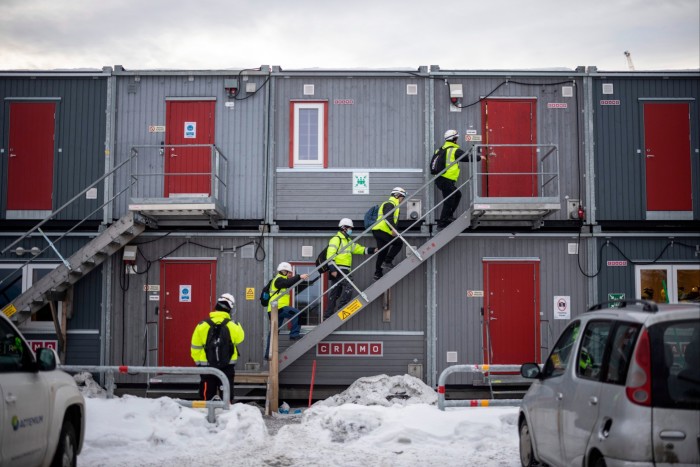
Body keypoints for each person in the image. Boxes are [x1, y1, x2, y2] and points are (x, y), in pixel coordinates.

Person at [190, 293, 244, 404]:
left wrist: (198, 362)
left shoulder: (202, 325)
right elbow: (240, 339)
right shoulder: (234, 325)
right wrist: (237, 325)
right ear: (230, 309)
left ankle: (207, 415)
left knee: (207, 394)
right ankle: (227, 415)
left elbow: (195, 347)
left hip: (206, 366)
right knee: (226, 392)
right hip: (227, 365)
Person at [322, 218, 377, 320]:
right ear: (344, 228)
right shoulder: (336, 239)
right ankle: (341, 308)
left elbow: (358, 249)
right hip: (338, 269)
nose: (351, 230)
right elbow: (330, 255)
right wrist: (332, 269)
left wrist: (372, 250)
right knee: (349, 286)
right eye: (350, 228)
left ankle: (327, 316)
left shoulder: (348, 241)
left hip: (344, 269)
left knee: (335, 293)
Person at [434, 129, 483, 229]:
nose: (457, 140)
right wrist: (480, 157)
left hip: (441, 179)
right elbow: (467, 157)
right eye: (456, 138)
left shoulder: (440, 149)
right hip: (446, 179)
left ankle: (448, 217)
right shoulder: (453, 150)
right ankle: (442, 223)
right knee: (449, 200)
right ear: (454, 139)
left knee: (457, 195)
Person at [264, 262, 309, 359]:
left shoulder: (280, 280)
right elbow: (286, 283)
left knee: (274, 332)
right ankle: (294, 334)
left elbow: (290, 283)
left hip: (276, 309)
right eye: (289, 272)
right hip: (278, 308)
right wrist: (299, 276)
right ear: (283, 271)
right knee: (299, 314)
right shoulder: (279, 280)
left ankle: (268, 354)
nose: (290, 275)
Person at [371, 187, 406, 280]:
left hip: (379, 231)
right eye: (402, 197)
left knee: (383, 251)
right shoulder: (390, 204)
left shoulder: (392, 204)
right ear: (397, 195)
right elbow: (388, 218)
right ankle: (388, 261)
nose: (403, 200)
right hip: (382, 231)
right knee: (398, 243)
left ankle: (377, 273)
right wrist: (393, 229)